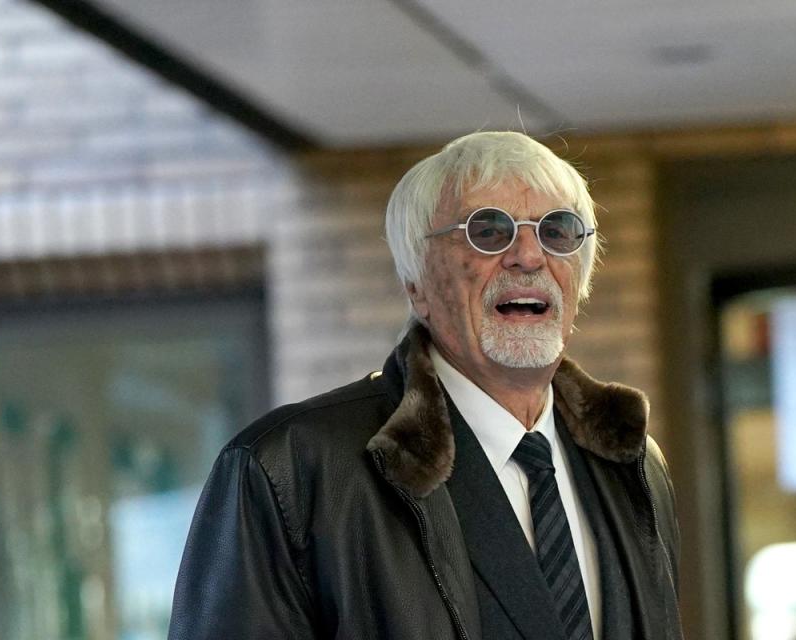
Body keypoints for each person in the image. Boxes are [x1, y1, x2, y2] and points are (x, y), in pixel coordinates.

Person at [168, 131, 683, 640]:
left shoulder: (633, 467)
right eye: (488, 230)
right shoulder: (289, 470)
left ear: (580, 278)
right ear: (415, 283)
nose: (529, 256)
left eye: (558, 231)